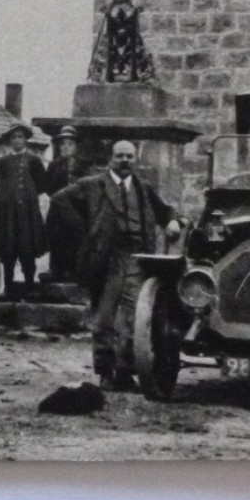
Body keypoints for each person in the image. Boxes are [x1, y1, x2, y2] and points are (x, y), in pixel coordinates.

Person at [65, 139, 182, 391]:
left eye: (129, 156)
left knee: (132, 319)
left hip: (139, 259)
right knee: (104, 318)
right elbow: (59, 202)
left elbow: (166, 211)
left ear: (135, 159)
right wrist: (85, 235)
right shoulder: (92, 185)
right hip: (107, 261)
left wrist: (172, 221)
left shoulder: (144, 188)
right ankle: (105, 371)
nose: (125, 161)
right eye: (120, 156)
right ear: (111, 159)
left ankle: (125, 371)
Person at [0, 121, 47, 300]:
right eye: (14, 137)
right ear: (10, 141)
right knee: (8, 251)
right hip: (7, 214)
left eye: (20, 137)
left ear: (26, 140)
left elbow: (40, 185)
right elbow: (2, 184)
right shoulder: (4, 162)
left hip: (27, 214)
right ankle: (8, 289)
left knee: (27, 249)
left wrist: (26, 198)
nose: (17, 140)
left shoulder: (34, 160)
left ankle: (30, 288)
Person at [41, 126, 85, 196]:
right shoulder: (53, 166)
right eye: (62, 144)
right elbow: (48, 189)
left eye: (70, 144)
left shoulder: (82, 166)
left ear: (76, 147)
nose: (65, 147)